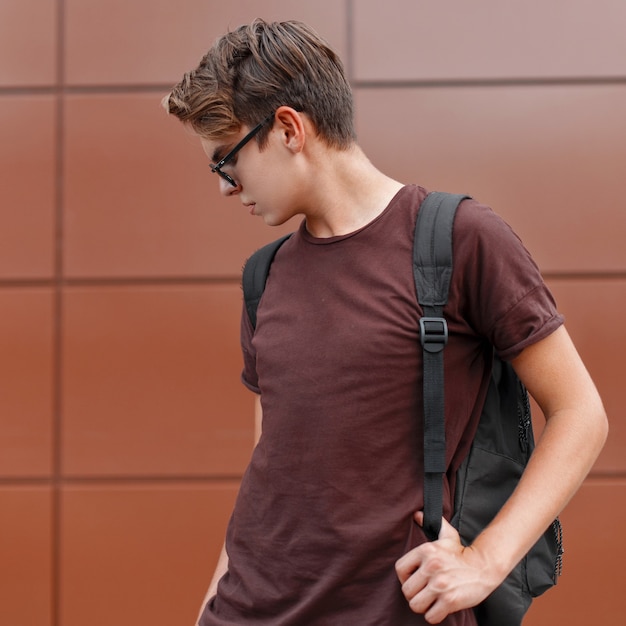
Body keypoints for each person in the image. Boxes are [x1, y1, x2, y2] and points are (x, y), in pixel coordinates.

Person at [163, 19, 608, 626]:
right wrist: (210, 607)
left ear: (289, 129)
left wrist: (484, 561)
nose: (225, 187)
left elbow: (581, 414)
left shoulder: (458, 240)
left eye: (227, 161)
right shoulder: (262, 278)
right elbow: (273, 464)